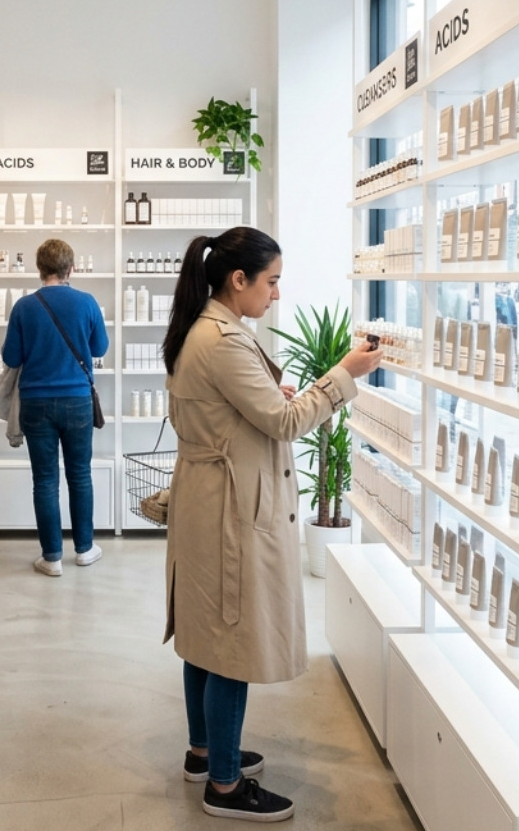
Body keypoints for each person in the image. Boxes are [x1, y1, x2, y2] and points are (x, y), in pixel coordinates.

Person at [160, 227, 383, 822]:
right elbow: (285, 424)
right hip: (229, 508)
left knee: (205, 636)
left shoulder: (204, 329)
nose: (276, 294)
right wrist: (344, 375)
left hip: (209, 502)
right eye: (272, 281)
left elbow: (244, 404)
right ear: (239, 280)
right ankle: (226, 787)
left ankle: (205, 753)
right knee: (232, 640)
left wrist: (271, 391)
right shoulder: (224, 340)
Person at [0, 239, 110, 576]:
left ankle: (51, 558)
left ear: (39, 269)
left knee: (45, 480)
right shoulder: (87, 302)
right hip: (77, 400)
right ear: (70, 269)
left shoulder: (24, 307)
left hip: (36, 402)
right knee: (80, 475)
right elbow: (100, 347)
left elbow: (10, 358)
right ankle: (85, 548)